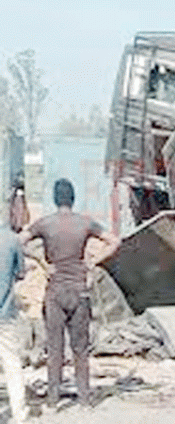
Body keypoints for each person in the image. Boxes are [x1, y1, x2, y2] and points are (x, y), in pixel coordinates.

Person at [22, 178, 119, 407]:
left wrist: (40, 260)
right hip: (80, 292)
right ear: (73, 199)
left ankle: (53, 402)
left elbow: (19, 242)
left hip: (55, 292)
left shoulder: (44, 224)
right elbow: (114, 241)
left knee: (55, 349)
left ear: (55, 199)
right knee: (80, 349)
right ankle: (85, 400)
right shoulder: (85, 223)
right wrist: (94, 261)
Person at [0, 204, 29, 423]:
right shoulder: (12, 240)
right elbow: (21, 273)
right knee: (12, 363)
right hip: (6, 312)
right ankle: (19, 413)